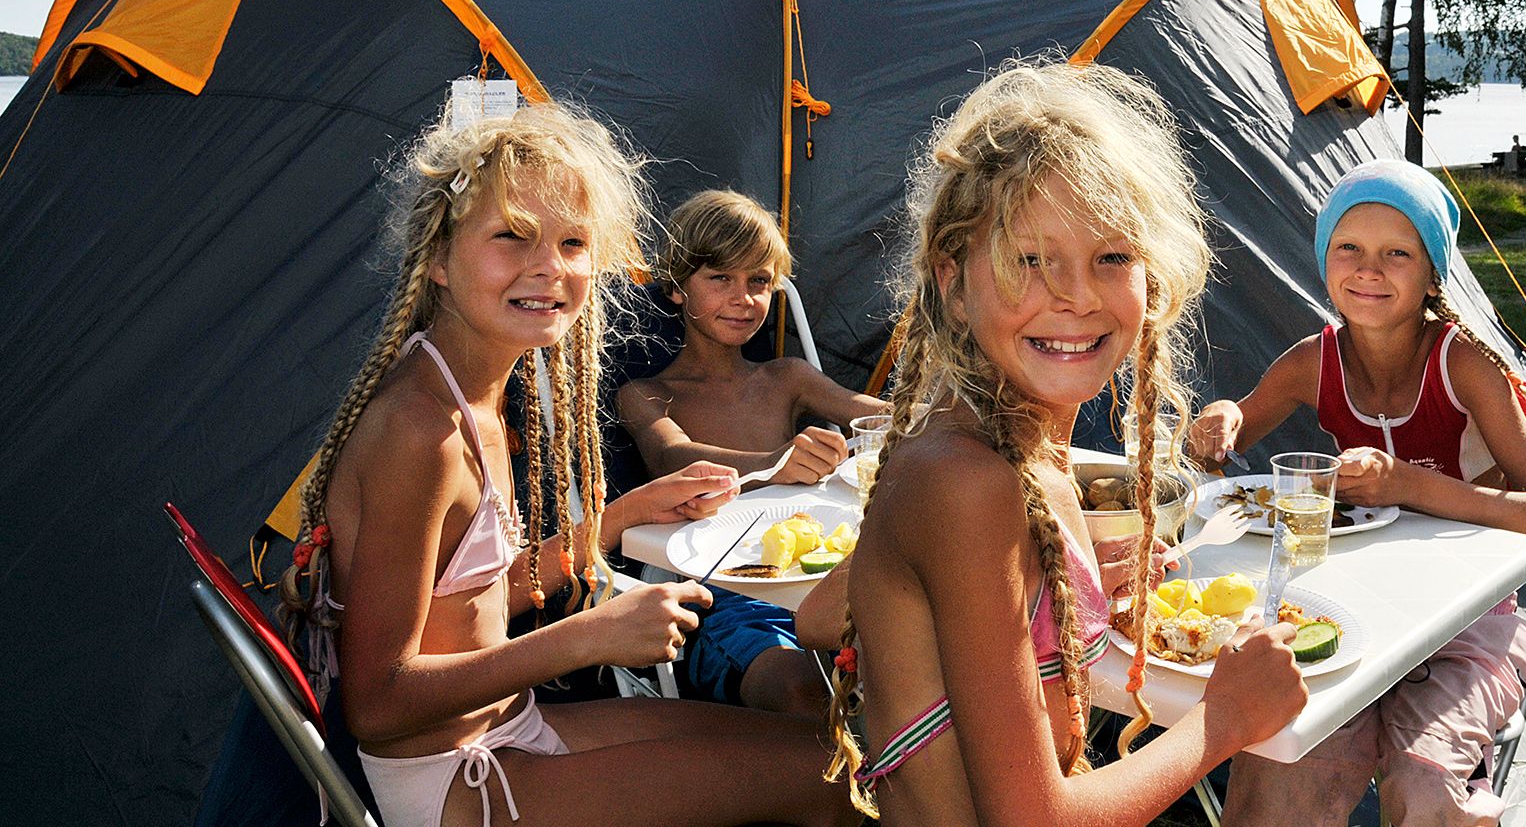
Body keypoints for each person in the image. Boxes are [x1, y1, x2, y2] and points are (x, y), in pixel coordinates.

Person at [277, 103, 853, 827]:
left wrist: (619, 519)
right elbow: (378, 703)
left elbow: (470, 607)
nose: (549, 267)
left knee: (822, 747)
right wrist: (586, 638)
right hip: (459, 783)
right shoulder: (420, 432)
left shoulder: (472, 395)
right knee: (833, 783)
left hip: (509, 734)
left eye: (574, 242)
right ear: (438, 259)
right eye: (512, 237)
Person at [804, 60, 1309, 825]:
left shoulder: (1020, 455)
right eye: (1028, 260)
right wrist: (1225, 720)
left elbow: (833, 615)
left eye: (1111, 257)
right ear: (952, 281)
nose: (1074, 295)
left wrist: (1048, 584)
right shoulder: (966, 483)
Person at [1192, 158, 1526, 827]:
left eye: (1397, 253)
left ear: (1433, 272)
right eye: (1350, 248)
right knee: (1279, 760)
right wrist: (1219, 418)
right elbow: (1234, 423)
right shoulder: (1316, 360)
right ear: (1325, 262)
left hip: (1465, 624)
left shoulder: (1465, 365)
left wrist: (1408, 485)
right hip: (1351, 612)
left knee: (1423, 785)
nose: (1369, 269)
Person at [615, 189, 886, 716]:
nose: (744, 298)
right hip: (714, 594)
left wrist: (948, 411)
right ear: (676, 289)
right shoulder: (646, 393)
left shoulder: (786, 376)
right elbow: (676, 458)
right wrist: (773, 465)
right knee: (799, 688)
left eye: (759, 281)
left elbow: (873, 413)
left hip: (819, 578)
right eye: (721, 279)